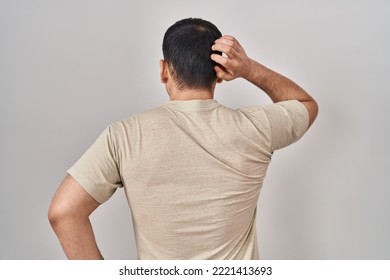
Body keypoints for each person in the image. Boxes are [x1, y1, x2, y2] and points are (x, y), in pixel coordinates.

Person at [48, 18, 318, 260]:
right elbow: (305, 104)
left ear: (164, 70)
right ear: (219, 73)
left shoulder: (124, 136)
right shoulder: (256, 128)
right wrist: (248, 68)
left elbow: (64, 213)